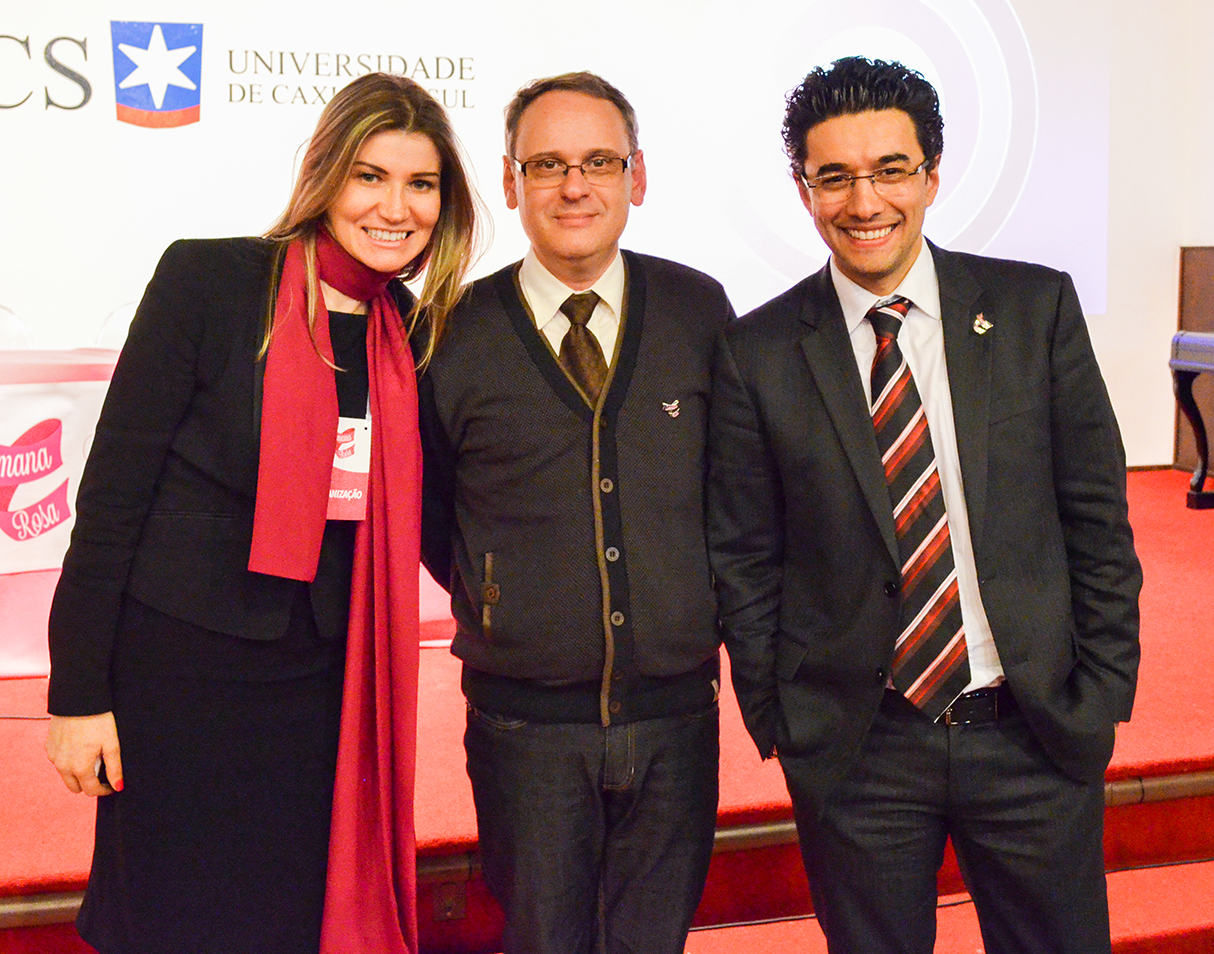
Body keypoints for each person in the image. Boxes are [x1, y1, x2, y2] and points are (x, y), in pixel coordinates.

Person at [707, 56, 1142, 954]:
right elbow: (745, 555)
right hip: (859, 748)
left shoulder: (1033, 308)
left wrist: (1097, 695)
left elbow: (1097, 514)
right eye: (835, 176)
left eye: (890, 170)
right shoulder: (758, 352)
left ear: (932, 176)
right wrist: (783, 716)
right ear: (804, 190)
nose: (864, 201)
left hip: (1030, 730)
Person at [44, 72, 481, 954]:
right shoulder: (210, 281)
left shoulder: (414, 332)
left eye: (421, 183)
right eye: (369, 176)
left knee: (286, 919)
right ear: (325, 175)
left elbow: (438, 519)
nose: (395, 207)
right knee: (171, 918)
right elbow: (114, 493)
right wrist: (78, 694)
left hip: (324, 684)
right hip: (179, 674)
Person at [418, 71, 734, 954]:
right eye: (547, 164)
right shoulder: (449, 330)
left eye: (599, 161)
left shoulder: (699, 310)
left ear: (637, 176)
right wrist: (507, 596)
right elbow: (434, 517)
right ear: (511, 181)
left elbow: (736, 496)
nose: (574, 185)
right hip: (525, 730)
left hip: (677, 719)